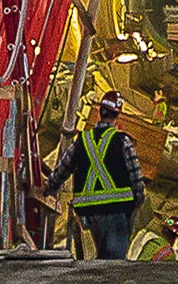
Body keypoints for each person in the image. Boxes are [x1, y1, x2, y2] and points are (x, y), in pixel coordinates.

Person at [49, 92, 145, 260]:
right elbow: (136, 177)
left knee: (103, 255)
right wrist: (138, 200)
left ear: (99, 111)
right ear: (118, 116)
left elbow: (63, 168)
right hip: (118, 209)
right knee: (114, 261)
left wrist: (50, 186)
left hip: (90, 210)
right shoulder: (123, 141)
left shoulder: (82, 140)